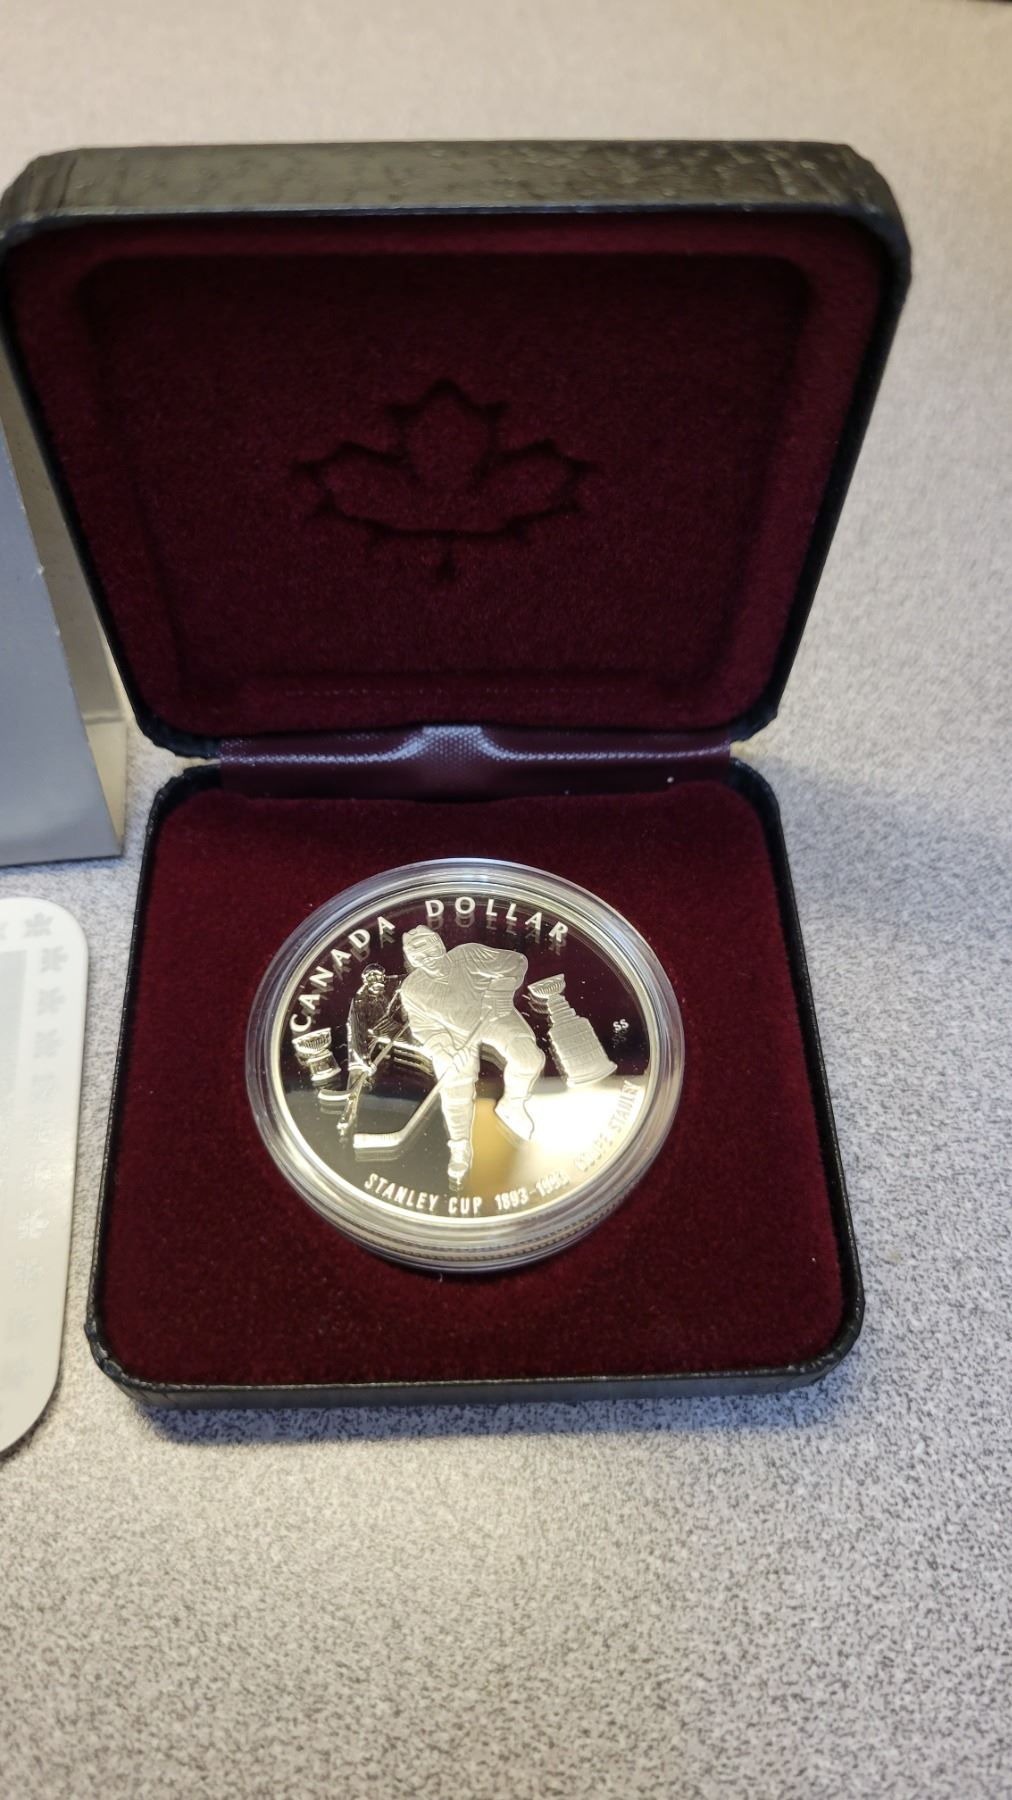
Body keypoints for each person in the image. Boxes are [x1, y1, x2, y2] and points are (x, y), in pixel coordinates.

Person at [398, 926, 544, 1184]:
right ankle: (460, 1146)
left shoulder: (468, 954)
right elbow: (424, 1027)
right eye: (417, 955)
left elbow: (516, 962)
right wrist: (441, 1048)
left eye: (428, 948)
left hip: (494, 1015)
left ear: (439, 944)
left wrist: (500, 991)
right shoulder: (412, 989)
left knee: (529, 1058)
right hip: (453, 1033)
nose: (426, 957)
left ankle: (513, 1104)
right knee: (452, 1076)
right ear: (411, 959)